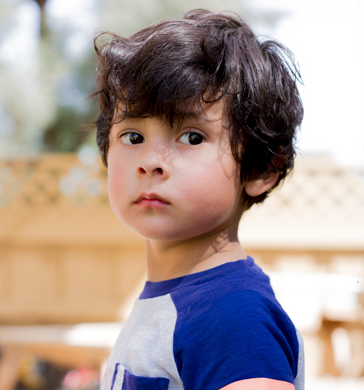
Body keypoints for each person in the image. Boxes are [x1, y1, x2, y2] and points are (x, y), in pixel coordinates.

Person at [91, 9, 304, 390]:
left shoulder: (232, 316)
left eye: (192, 137)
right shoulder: (179, 301)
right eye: (133, 137)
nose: (151, 162)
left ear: (260, 170)